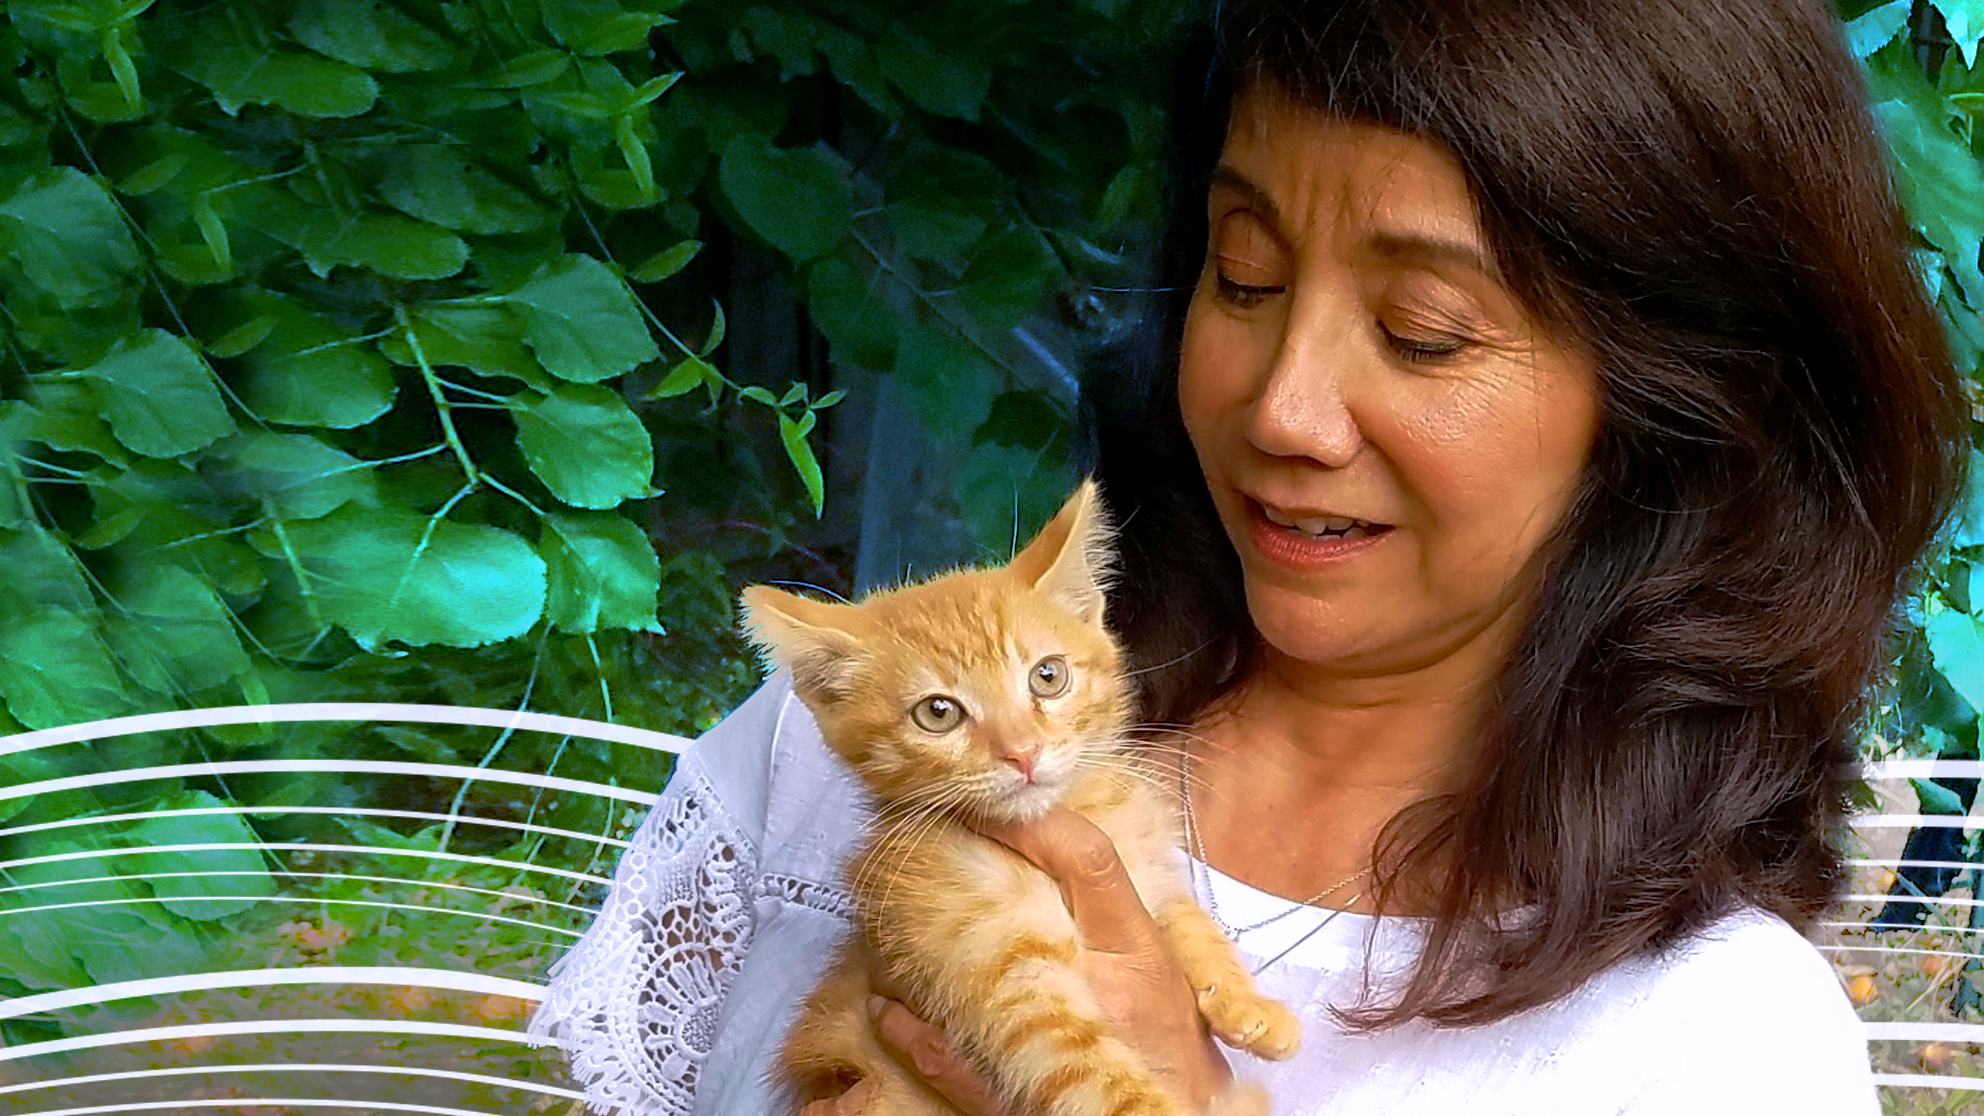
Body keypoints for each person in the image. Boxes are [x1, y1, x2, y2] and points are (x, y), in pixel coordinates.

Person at [528, 0, 1970, 1112]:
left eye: (1423, 332)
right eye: (1246, 275)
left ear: (1677, 408)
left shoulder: (1713, 1045)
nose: (1280, 407)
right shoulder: (855, 742)